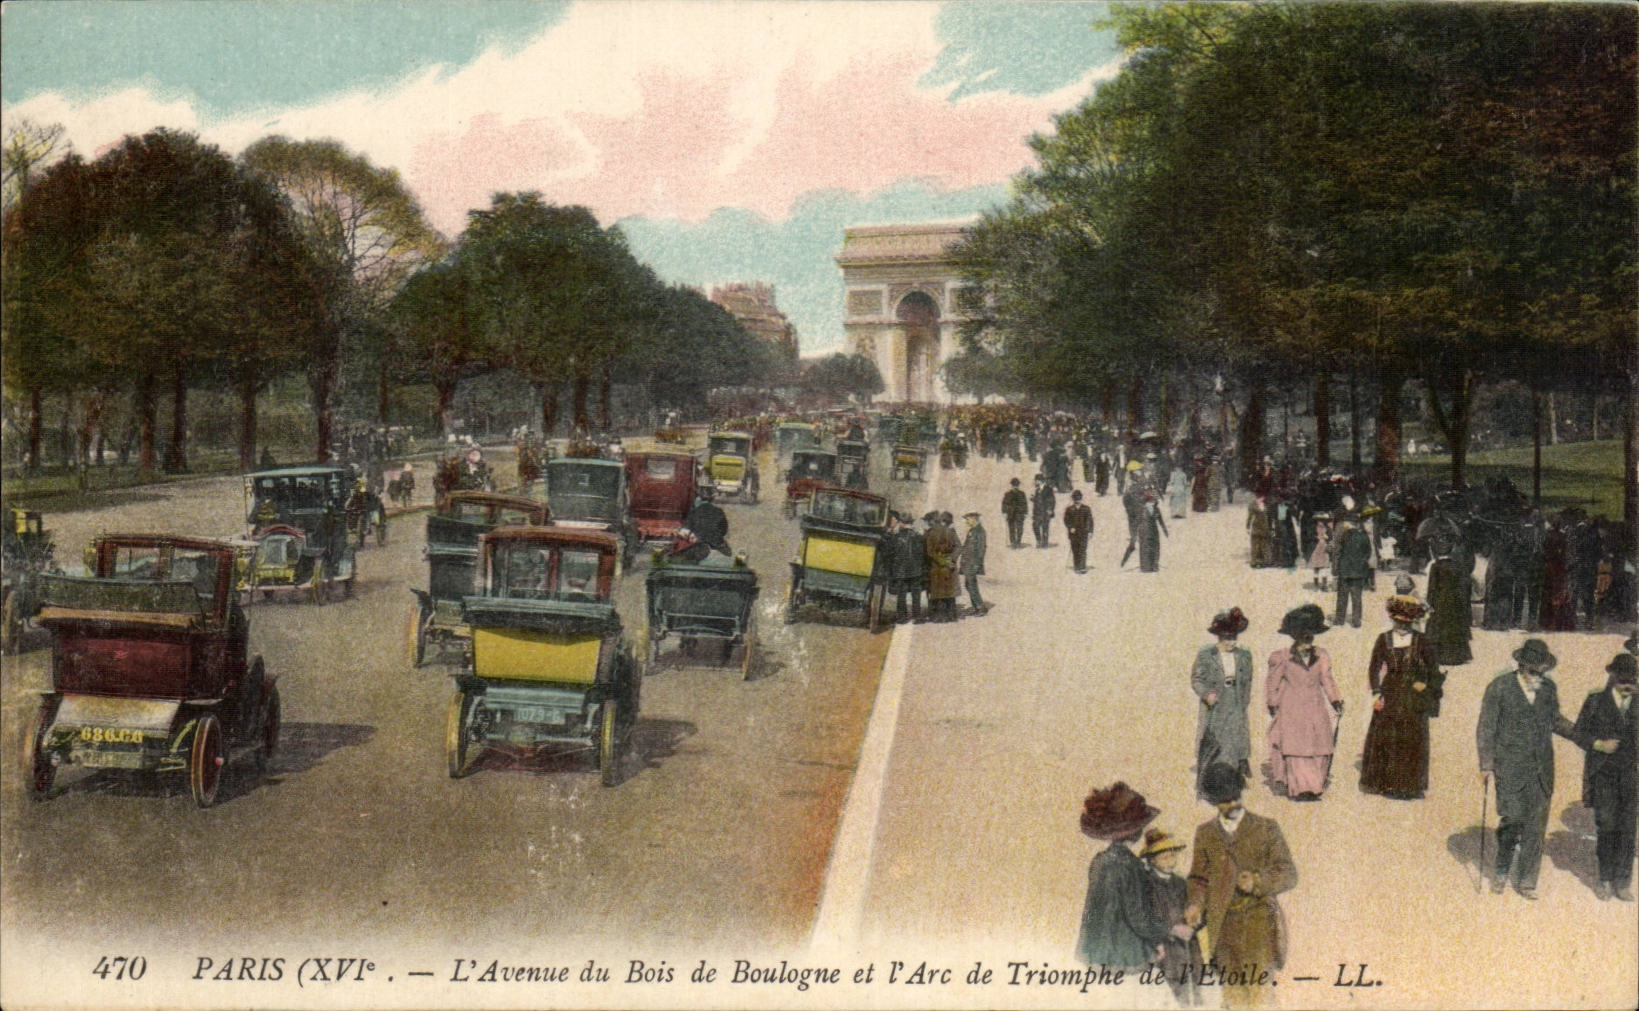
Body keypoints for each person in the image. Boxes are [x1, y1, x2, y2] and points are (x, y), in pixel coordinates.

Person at [1186, 764, 1295, 1010]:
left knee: (1260, 996)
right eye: (1224, 802)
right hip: (1221, 928)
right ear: (1214, 803)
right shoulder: (1204, 834)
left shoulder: (1266, 828)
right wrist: (1194, 903)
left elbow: (1288, 873)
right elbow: (1198, 879)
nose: (1233, 805)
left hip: (1258, 926)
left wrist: (1258, 881)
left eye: (1236, 798)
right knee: (1232, 996)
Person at [1477, 638, 1578, 899]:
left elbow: (1555, 720)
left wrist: (1584, 737)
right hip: (1509, 768)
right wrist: (1487, 763)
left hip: (1542, 769)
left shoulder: (1549, 689)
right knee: (1512, 821)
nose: (1538, 676)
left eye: (1542, 671)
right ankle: (1501, 870)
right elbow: (1486, 727)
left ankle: (1527, 881)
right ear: (1521, 666)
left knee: (1536, 827)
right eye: (1534, 671)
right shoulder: (1500, 688)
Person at [1076, 783, 1171, 972]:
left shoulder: (1099, 861)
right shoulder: (1131, 865)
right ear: (1134, 831)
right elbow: (1138, 916)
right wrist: (1159, 939)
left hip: (1098, 951)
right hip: (1126, 953)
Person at [1360, 596, 1444, 799]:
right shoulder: (1383, 639)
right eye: (1399, 622)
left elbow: (1434, 670)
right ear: (1393, 619)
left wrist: (1425, 686)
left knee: (1411, 738)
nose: (1402, 626)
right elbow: (1374, 668)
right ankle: (1384, 782)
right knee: (1387, 736)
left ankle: (1407, 785)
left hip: (1413, 696)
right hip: (1390, 693)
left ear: (1412, 621)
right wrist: (1377, 693)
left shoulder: (1422, 640)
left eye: (1406, 623)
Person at [1570, 653, 1636, 901]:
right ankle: (1605, 879)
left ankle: (1623, 882)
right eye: (1623, 681)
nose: (1628, 686)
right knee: (1607, 826)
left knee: (1628, 828)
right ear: (1613, 677)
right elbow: (1578, 734)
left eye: (1633, 681)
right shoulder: (1596, 701)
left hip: (1631, 775)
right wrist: (1598, 744)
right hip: (1603, 775)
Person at [1266, 604, 1343, 801]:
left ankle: (1314, 786)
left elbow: (1327, 679)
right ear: (1295, 637)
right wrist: (1273, 704)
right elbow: (1272, 682)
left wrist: (1335, 699)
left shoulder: (1322, 655)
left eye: (1310, 637)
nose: (1308, 642)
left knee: (1318, 745)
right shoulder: (1282, 657)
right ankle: (1300, 788)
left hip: (1316, 706)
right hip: (1292, 708)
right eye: (1303, 638)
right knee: (1296, 748)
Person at [1140, 828, 1204, 1007]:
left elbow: (1198, 911)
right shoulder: (1145, 885)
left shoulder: (1181, 882)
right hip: (1164, 950)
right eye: (1165, 858)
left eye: (1173, 856)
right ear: (1152, 860)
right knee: (1168, 998)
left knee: (1193, 994)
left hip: (1189, 950)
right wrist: (1172, 929)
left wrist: (1195, 921)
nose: (1171, 862)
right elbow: (1144, 918)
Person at [1194, 608, 1254, 795]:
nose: (1230, 642)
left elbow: (1248, 679)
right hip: (1215, 703)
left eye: (1233, 638)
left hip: (1235, 700)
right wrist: (1206, 695)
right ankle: (1212, 780)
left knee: (1235, 738)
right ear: (1218, 637)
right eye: (1226, 638)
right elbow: (1196, 679)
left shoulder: (1244, 655)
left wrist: (1244, 700)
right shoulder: (1206, 654)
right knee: (1216, 739)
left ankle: (1234, 778)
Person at [1332, 519, 1373, 628]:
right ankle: (1356, 620)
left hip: (1344, 569)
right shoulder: (1364, 536)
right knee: (1357, 597)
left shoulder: (1343, 535)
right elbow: (1368, 552)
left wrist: (1336, 568)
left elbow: (1337, 552)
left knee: (1342, 596)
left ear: (1349, 524)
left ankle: (1339, 619)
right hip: (1359, 570)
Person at [923, 511, 960, 623]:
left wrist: (942, 560)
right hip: (949, 566)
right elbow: (958, 547)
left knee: (937, 592)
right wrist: (951, 559)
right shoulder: (950, 532)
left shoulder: (931, 533)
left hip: (937, 566)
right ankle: (951, 616)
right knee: (948, 592)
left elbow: (929, 552)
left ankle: (938, 616)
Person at [890, 512, 926, 624]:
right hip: (916, 570)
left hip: (901, 570)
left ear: (901, 522)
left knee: (901, 595)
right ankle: (917, 616)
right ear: (912, 522)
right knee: (916, 595)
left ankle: (902, 617)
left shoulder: (896, 536)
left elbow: (892, 552)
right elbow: (922, 552)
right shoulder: (918, 536)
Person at [958, 511, 989, 616]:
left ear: (974, 519)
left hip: (973, 563)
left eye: (968, 519)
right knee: (968, 584)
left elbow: (981, 548)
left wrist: (978, 564)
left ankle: (980, 607)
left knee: (971, 585)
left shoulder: (980, 531)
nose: (966, 521)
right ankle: (976, 606)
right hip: (968, 562)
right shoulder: (973, 530)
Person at [684, 486, 730, 555]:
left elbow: (688, 529)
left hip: (698, 544)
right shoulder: (719, 511)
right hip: (716, 543)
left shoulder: (694, 512)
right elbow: (724, 530)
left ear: (698, 499)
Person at [1137, 491, 1168, 573]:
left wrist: (1165, 530)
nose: (1152, 503)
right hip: (1144, 531)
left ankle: (1154, 565)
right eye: (1150, 501)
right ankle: (1145, 567)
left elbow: (1161, 521)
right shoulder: (1141, 510)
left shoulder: (1157, 510)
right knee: (1145, 548)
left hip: (1154, 530)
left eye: (1153, 501)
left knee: (1155, 548)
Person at [1064, 490, 1094, 574]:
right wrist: (1070, 527)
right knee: (1075, 550)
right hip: (1073, 534)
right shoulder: (1069, 509)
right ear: (1073, 500)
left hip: (1083, 533)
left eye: (1079, 499)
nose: (1077, 501)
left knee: (1083, 549)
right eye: (1075, 499)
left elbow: (1090, 521)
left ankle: (1082, 566)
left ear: (1081, 499)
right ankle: (1077, 566)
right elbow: (1066, 520)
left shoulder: (1086, 509)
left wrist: (1090, 531)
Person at [1002, 478, 1029, 549]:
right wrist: (1004, 512)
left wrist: (1025, 512)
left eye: (1016, 485)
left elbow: (1024, 503)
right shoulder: (1008, 494)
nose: (1015, 487)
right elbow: (1004, 504)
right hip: (1011, 514)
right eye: (1014, 485)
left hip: (1020, 513)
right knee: (1011, 528)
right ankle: (1013, 542)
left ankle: (1018, 541)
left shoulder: (1022, 494)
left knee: (1020, 528)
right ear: (1011, 485)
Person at [1031, 473, 1057, 549]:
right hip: (1037, 512)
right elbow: (1038, 500)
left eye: (1036, 481)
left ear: (1040, 481)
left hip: (1045, 512)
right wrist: (1033, 499)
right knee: (1035, 525)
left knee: (1045, 528)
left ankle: (1044, 543)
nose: (1035, 482)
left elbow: (1052, 500)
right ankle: (1038, 540)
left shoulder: (1048, 489)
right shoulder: (1037, 490)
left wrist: (1050, 509)